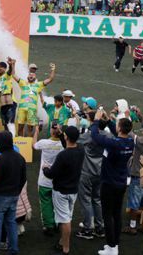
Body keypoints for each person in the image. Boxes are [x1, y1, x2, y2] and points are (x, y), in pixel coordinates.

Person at [91, 112, 135, 255]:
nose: (114, 126)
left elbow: (95, 136)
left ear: (120, 129)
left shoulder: (114, 144)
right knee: (116, 214)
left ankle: (111, 247)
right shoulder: (130, 142)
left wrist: (96, 120)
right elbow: (118, 133)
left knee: (107, 215)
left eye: (116, 125)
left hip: (109, 183)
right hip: (121, 183)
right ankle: (115, 244)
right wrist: (109, 120)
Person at [43, 126, 85, 255]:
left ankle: (65, 248)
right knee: (67, 217)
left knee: (64, 220)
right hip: (73, 189)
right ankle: (62, 241)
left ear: (67, 137)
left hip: (61, 191)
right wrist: (62, 134)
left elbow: (51, 174)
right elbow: (68, 144)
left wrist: (45, 168)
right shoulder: (81, 150)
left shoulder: (63, 155)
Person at [0, 131, 27, 255]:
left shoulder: (0, 159)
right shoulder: (20, 158)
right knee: (11, 224)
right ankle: (13, 250)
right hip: (13, 196)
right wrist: (17, 191)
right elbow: (23, 178)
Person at [76, 108, 108, 240]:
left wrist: (79, 124)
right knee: (97, 199)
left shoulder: (89, 136)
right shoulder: (107, 135)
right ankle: (100, 227)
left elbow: (75, 139)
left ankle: (88, 229)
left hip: (87, 171)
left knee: (86, 201)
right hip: (100, 171)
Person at [33, 123, 64, 236]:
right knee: (57, 203)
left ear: (51, 131)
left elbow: (34, 145)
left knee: (45, 203)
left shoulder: (44, 143)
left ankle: (48, 225)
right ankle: (57, 223)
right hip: (58, 179)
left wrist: (36, 131)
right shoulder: (63, 145)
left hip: (44, 179)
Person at [12, 62, 56, 137]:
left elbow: (50, 79)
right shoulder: (23, 83)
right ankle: (20, 142)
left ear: (35, 78)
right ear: (27, 77)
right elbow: (13, 74)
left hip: (32, 110)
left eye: (33, 75)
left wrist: (53, 69)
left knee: (30, 128)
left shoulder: (39, 85)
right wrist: (13, 65)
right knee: (20, 127)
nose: (31, 75)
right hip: (22, 108)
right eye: (30, 75)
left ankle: (28, 144)